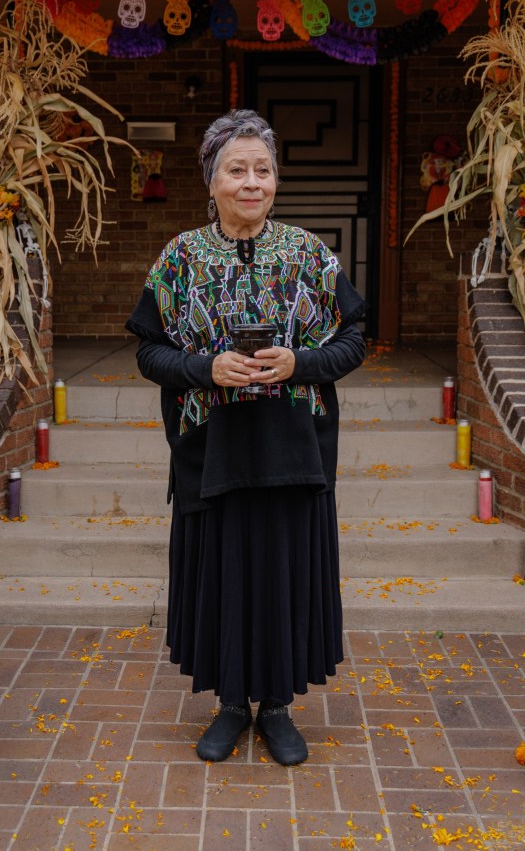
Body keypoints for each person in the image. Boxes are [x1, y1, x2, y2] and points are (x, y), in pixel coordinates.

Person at [126, 109, 366, 766]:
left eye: (263, 170)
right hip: (213, 451)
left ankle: (279, 706)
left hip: (295, 447)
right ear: (212, 180)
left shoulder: (310, 255)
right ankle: (231, 705)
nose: (251, 182)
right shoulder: (179, 259)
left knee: (285, 575)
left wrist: (301, 363)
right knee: (223, 576)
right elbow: (149, 354)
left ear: (276, 180)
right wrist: (204, 369)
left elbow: (353, 341)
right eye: (237, 170)